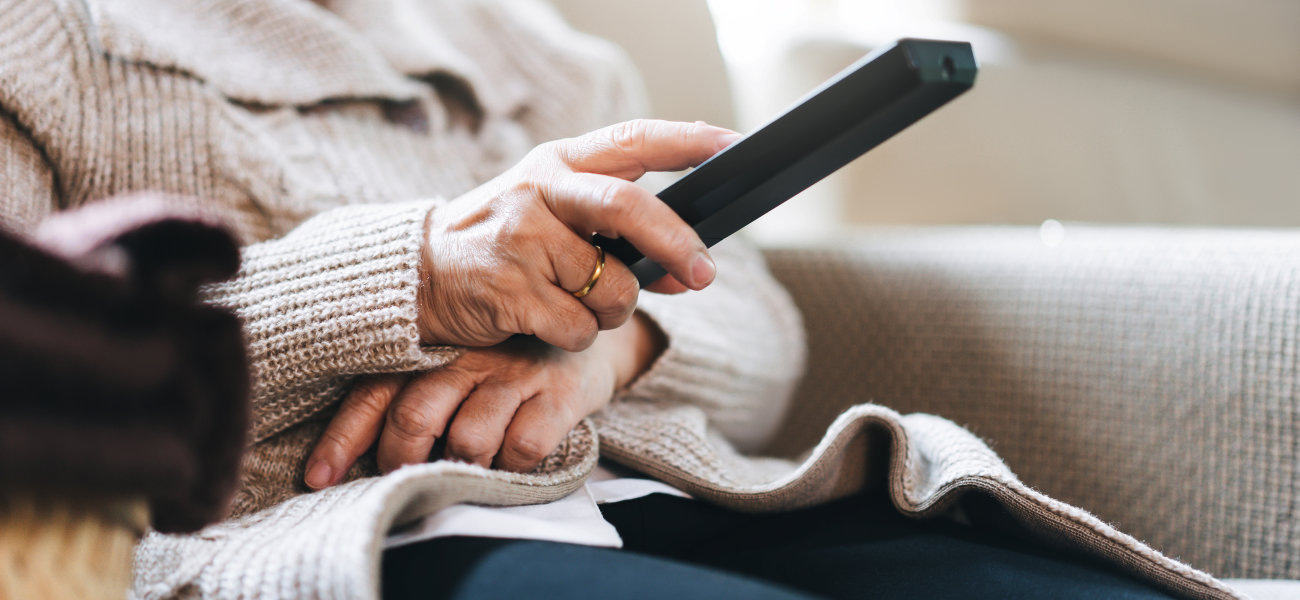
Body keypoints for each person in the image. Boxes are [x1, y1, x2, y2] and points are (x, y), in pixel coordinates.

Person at [0, 1, 1233, 599]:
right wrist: (413, 272)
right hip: (325, 543)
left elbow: (761, 320)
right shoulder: (42, 38)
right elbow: (33, 364)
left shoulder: (529, 45)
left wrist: (611, 344)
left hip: (658, 488)